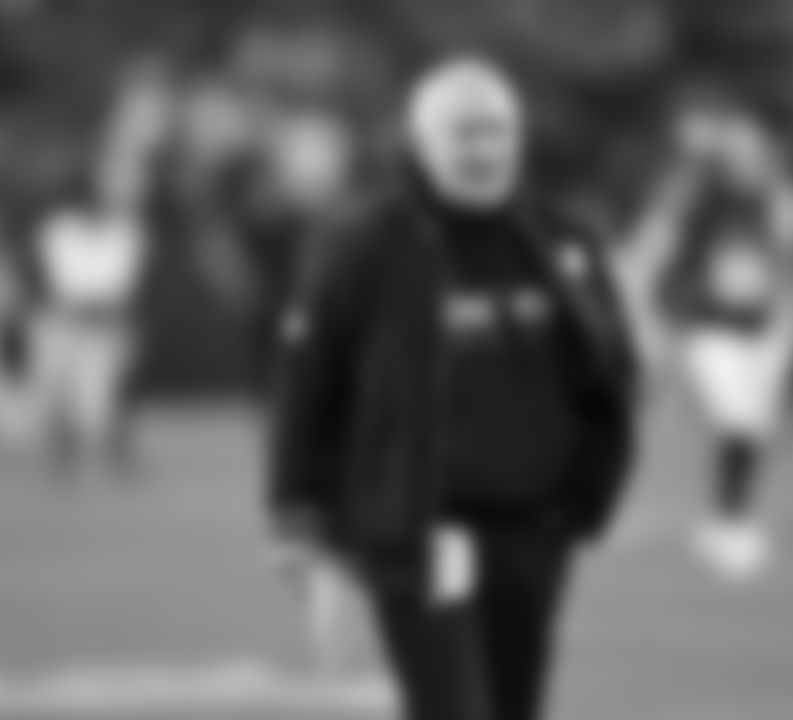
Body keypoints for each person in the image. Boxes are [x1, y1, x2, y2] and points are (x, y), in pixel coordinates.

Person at [266, 56, 639, 720]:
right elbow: (307, 382)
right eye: (463, 132)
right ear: (421, 142)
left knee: (512, 710)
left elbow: (610, 367)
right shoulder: (365, 246)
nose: (484, 149)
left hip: (534, 531)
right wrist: (299, 517)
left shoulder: (561, 240)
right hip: (421, 531)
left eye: (497, 130)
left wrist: (589, 488)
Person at [620, 95, 793, 582]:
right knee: (736, 416)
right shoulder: (701, 195)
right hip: (706, 325)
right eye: (739, 151)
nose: (747, 159)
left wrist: (792, 328)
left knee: (754, 426)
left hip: (758, 329)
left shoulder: (776, 201)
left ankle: (728, 519)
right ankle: (730, 523)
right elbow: (657, 234)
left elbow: (791, 261)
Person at [33, 173, 148, 481]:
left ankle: (118, 457)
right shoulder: (59, 230)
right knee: (60, 395)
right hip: (64, 321)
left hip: (106, 324)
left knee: (108, 397)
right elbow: (60, 280)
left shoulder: (124, 232)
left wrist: (105, 308)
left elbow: (122, 282)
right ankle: (63, 461)